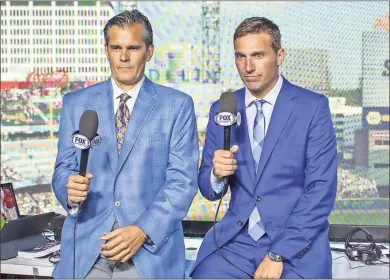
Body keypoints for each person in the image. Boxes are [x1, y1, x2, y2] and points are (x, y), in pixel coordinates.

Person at [52, 10, 199, 279]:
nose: (123, 57)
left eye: (132, 48)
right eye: (116, 47)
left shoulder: (177, 105)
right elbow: (63, 169)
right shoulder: (76, 103)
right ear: (106, 50)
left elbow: (183, 181)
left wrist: (142, 230)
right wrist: (68, 188)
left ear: (149, 51)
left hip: (148, 250)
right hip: (87, 248)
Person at [191, 17, 337, 279]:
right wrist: (216, 174)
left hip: (297, 244)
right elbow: (207, 189)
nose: (248, 66)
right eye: (240, 56)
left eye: (258, 55)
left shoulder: (312, 108)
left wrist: (278, 254)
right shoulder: (222, 108)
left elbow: (321, 192)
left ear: (279, 55)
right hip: (237, 241)